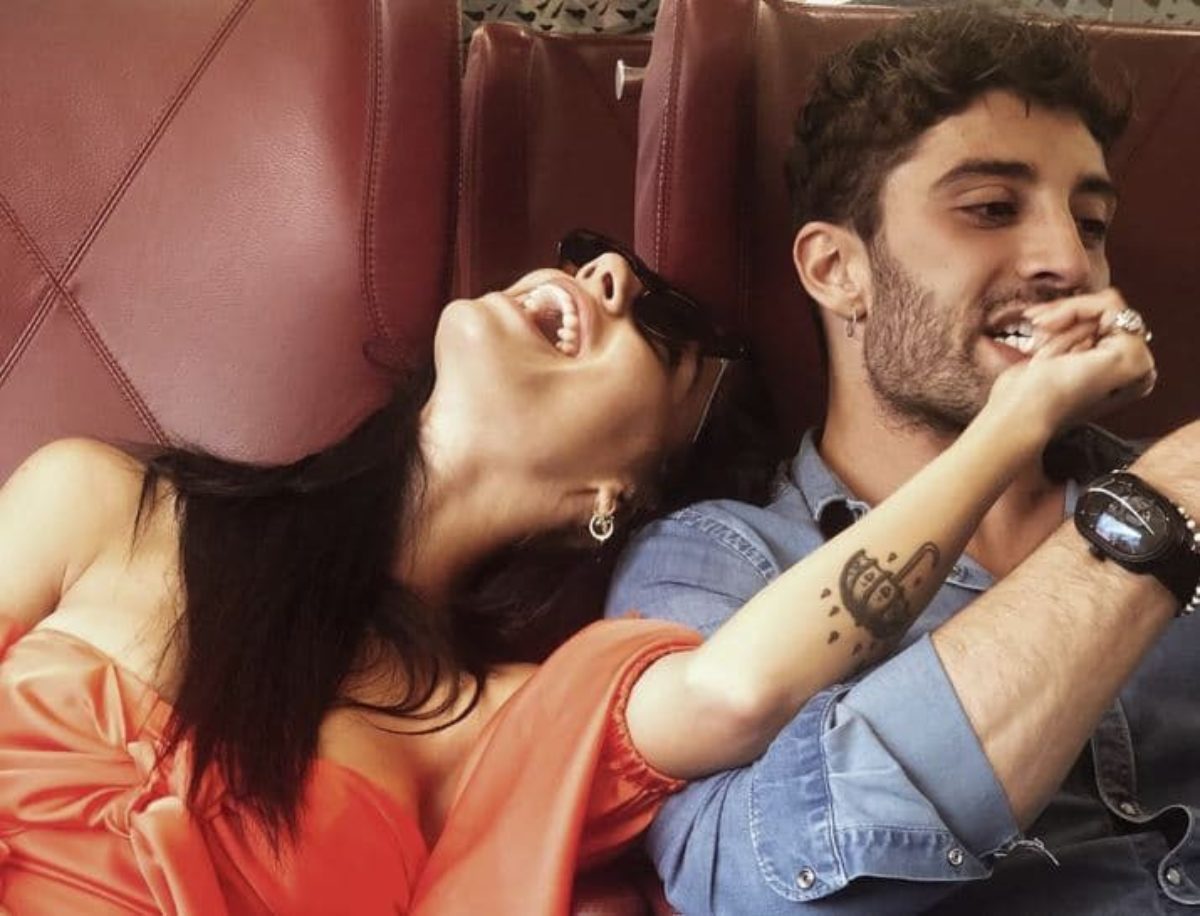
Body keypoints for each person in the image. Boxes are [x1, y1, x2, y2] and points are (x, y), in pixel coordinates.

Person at [0, 212, 1146, 915]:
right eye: (593, 257)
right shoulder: (95, 501)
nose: (607, 278)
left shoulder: (501, 724)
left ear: (617, 496)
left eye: (659, 330)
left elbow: (738, 688)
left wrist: (1015, 424)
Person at [606, 8, 1200, 915]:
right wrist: (1152, 509)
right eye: (991, 209)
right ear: (837, 269)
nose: (1068, 263)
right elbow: (753, 885)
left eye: (1090, 223)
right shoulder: (721, 559)